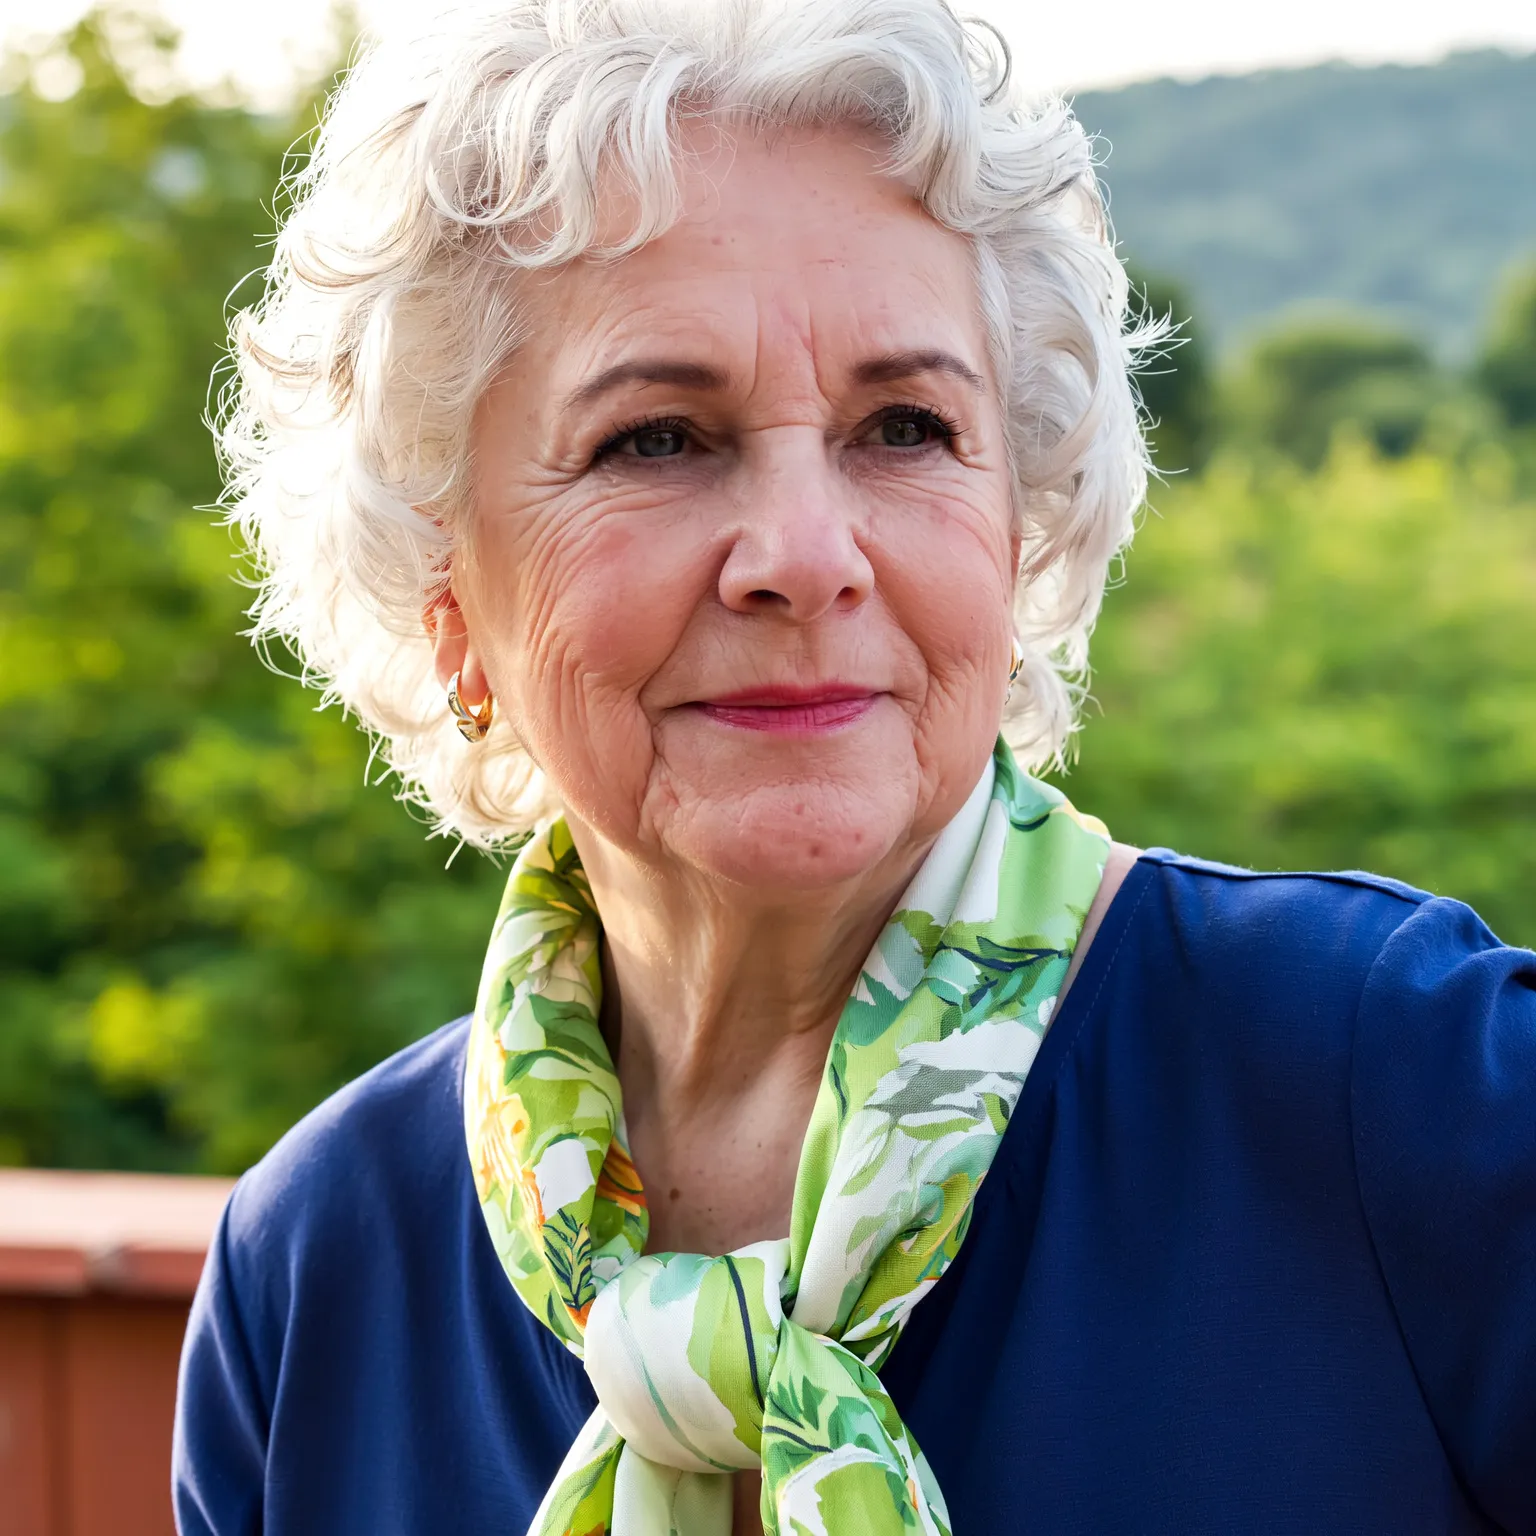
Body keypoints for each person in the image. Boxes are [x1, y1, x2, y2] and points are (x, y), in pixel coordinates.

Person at [173, 2, 1536, 1533]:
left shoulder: (1416, 1086)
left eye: (903, 426)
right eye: (657, 440)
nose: (807, 558)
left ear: (1019, 532)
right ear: (447, 595)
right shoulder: (318, 1268)